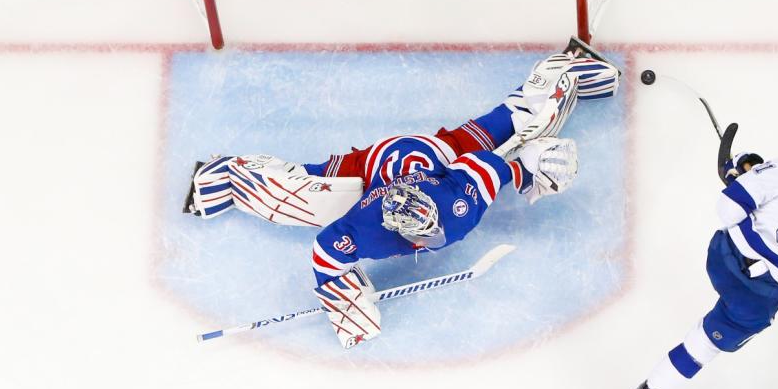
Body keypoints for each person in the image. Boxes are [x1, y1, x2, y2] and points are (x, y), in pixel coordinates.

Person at [183, 38, 620, 348]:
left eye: (430, 230)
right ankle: (228, 176)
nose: (432, 238)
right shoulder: (368, 226)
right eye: (424, 235)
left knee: (526, 120)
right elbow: (324, 251)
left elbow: (494, 164)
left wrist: (531, 165)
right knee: (292, 199)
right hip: (375, 169)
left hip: (435, 158)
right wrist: (341, 296)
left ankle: (562, 70)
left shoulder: (458, 205)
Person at [624, 138, 778, 389]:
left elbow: (729, 207)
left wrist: (740, 180)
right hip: (761, 298)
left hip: (727, 260)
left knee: (741, 206)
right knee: (705, 345)